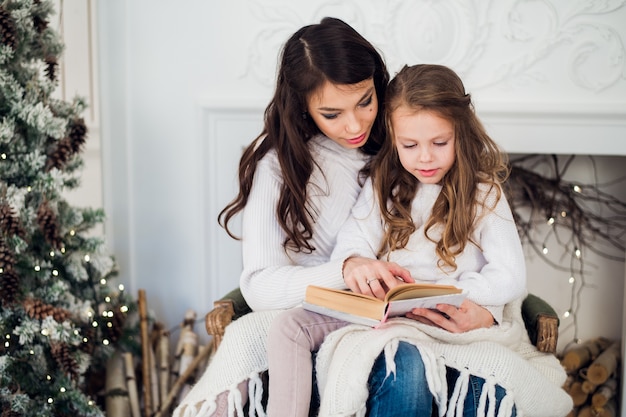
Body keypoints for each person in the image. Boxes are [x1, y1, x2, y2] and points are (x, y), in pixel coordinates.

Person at [268, 65, 572, 417]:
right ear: (393, 137)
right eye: (409, 145)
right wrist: (361, 266)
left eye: (439, 143)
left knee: (439, 370)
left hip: (446, 316)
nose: (424, 157)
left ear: (462, 133)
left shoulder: (484, 193)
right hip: (389, 315)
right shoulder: (386, 182)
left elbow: (509, 275)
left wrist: (459, 296)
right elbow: (355, 241)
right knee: (298, 329)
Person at [173, 17, 414, 417]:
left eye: (365, 101)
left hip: (393, 314)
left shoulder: (404, 146)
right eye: (332, 113)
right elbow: (259, 286)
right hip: (310, 318)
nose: (355, 124)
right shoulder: (278, 168)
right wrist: (346, 270)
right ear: (303, 106)